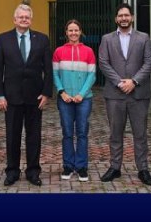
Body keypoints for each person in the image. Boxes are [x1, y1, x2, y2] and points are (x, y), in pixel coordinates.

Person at [0, 4, 53, 186]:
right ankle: (12, 172)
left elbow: (48, 69)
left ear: (31, 20)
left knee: (34, 136)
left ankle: (33, 171)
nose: (24, 19)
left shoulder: (42, 39)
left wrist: (46, 93)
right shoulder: (3, 39)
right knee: (12, 136)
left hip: (35, 98)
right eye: (21, 17)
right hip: (11, 98)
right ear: (15, 19)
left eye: (27, 17)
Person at [98, 3, 151, 185]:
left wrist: (134, 81)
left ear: (132, 17)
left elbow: (149, 62)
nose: (123, 18)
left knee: (140, 134)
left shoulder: (143, 38)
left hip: (139, 94)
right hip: (115, 94)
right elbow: (103, 63)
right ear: (116, 19)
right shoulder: (106, 39)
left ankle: (143, 169)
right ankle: (115, 167)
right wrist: (119, 82)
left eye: (127, 15)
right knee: (115, 133)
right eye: (120, 15)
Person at [52, 19, 96, 182]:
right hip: (65, 99)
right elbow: (55, 74)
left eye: (76, 30)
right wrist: (62, 92)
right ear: (66, 33)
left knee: (82, 133)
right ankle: (68, 165)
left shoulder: (89, 51)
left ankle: (82, 166)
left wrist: (82, 94)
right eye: (70, 30)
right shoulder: (58, 51)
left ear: (80, 31)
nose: (73, 33)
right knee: (67, 133)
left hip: (84, 99)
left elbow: (92, 75)